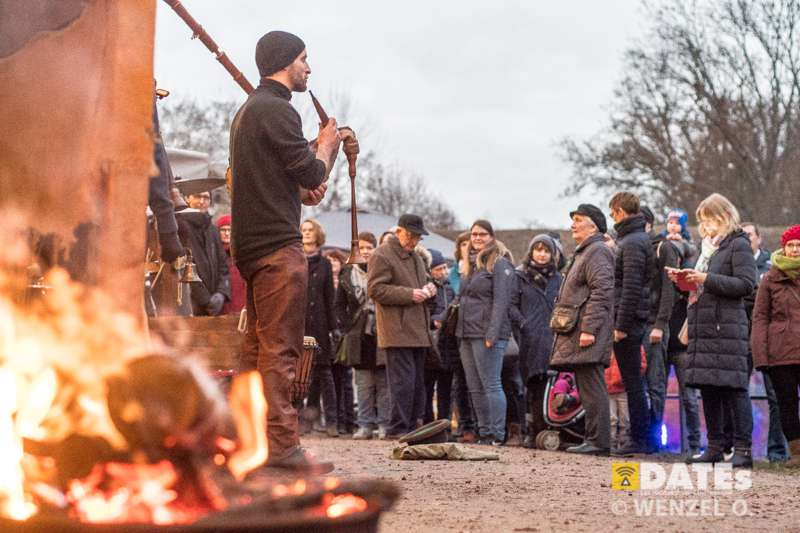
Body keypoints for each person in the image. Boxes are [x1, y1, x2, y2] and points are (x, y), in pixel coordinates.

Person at [230, 30, 350, 470]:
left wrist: (322, 157)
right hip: (278, 248)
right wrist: (328, 143)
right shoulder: (277, 111)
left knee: (255, 351)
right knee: (281, 351)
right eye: (303, 59)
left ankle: (246, 442)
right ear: (284, 62)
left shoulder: (249, 111)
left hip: (252, 248)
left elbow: (305, 187)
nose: (309, 68)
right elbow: (312, 169)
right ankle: (282, 449)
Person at [670, 193, 756, 468]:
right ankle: (715, 446)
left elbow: (745, 284)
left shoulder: (738, 245)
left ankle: (742, 448)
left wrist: (705, 278)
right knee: (708, 388)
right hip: (703, 326)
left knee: (734, 389)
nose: (704, 227)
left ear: (722, 218)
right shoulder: (704, 250)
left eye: (708, 221)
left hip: (727, 327)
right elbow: (701, 287)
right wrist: (683, 280)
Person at [550, 204, 615, 455]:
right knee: (588, 386)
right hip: (580, 330)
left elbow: (602, 292)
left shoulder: (596, 251)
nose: (572, 225)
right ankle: (593, 439)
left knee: (592, 385)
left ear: (594, 225)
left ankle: (598, 442)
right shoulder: (587, 251)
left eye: (578, 220)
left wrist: (589, 329)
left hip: (588, 331)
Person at [368, 214, 436, 438]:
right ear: (398, 231)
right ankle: (397, 428)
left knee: (417, 383)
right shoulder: (382, 255)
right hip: (397, 330)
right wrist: (410, 294)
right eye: (410, 235)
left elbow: (419, 285)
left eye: (417, 237)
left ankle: (413, 427)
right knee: (402, 384)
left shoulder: (415, 257)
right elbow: (376, 290)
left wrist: (429, 289)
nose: (414, 241)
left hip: (417, 329)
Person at [455, 220, 514, 445]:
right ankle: (485, 431)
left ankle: (497, 433)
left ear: (491, 236)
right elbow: (461, 297)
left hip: (486, 333)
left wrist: (493, 333)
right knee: (475, 386)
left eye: (482, 234)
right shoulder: (470, 264)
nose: (477, 238)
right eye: (474, 234)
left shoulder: (499, 263)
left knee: (491, 384)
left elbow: (501, 302)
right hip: (466, 333)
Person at [751, 224, 800, 468]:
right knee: (786, 403)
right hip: (781, 351)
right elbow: (760, 318)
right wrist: (761, 355)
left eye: (799, 245)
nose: (795, 250)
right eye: (791, 245)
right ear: (784, 247)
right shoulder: (771, 278)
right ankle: (796, 451)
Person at [607, 192, 653, 454]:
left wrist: (621, 325)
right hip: (631, 319)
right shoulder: (633, 239)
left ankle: (640, 438)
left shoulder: (633, 242)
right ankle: (642, 437)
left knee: (633, 383)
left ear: (620, 211)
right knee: (634, 382)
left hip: (629, 322)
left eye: (613, 213)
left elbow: (631, 287)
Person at [509, 234, 562, 447]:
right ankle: (532, 430)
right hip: (527, 340)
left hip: (553, 338)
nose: (542, 254)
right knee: (530, 386)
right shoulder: (520, 276)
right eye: (538, 249)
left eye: (546, 250)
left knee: (550, 386)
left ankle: (549, 430)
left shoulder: (559, 279)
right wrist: (523, 324)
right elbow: (511, 305)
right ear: (531, 252)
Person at [742, 221, 788, 463]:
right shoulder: (735, 264)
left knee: (776, 397)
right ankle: (742, 450)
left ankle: (777, 452)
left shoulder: (772, 267)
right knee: (738, 392)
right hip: (741, 337)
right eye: (742, 235)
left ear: (759, 239)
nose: (746, 238)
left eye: (750, 234)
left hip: (769, 340)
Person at [336, 232, 388, 440]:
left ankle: (384, 423)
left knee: (384, 383)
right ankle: (365, 424)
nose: (365, 252)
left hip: (382, 330)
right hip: (358, 334)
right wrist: (347, 325)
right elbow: (339, 304)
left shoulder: (383, 269)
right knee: (363, 382)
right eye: (361, 248)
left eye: (369, 248)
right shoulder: (347, 273)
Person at [640, 206, 679, 451]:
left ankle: (654, 438)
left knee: (655, 381)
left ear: (648, 224)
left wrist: (660, 325)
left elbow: (669, 290)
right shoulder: (632, 248)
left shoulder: (663, 248)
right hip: (635, 324)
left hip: (654, 325)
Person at [300, 219, 338, 437]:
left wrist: (333, 328)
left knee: (324, 373)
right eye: (303, 230)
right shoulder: (295, 259)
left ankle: (332, 422)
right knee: (301, 374)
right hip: (300, 323)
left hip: (320, 325)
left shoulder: (324, 264)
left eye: (310, 230)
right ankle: (303, 420)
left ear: (317, 234)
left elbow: (329, 297)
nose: (306, 233)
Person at [177, 189, 230, 316]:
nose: (202, 201)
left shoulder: (212, 230)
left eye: (206, 197)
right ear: (187, 199)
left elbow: (223, 266)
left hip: (215, 306)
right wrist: (205, 300)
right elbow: (183, 268)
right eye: (197, 196)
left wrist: (221, 294)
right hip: (191, 304)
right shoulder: (181, 228)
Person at [323, 248, 356, 434]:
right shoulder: (324, 282)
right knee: (333, 379)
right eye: (329, 260)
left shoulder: (345, 281)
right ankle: (337, 419)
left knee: (345, 379)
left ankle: (348, 420)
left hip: (344, 333)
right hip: (329, 335)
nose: (332, 263)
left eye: (335, 260)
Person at [425, 249, 458, 424]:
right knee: (428, 388)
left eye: (445, 267)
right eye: (438, 268)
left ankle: (444, 424)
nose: (443, 272)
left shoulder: (449, 288)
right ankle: (428, 423)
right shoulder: (427, 288)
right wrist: (434, 320)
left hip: (447, 345)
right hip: (431, 345)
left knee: (447, 389)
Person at [606, 348, 647, 450]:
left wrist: (628, 379)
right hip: (610, 388)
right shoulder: (607, 345)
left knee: (624, 419)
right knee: (612, 418)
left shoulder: (630, 344)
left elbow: (641, 365)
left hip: (623, 389)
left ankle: (623, 444)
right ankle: (612, 443)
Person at [215, 214, 246, 314]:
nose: (227, 233)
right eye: (223, 230)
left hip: (240, 306)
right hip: (220, 305)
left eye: (230, 230)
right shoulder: (214, 253)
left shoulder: (241, 253)